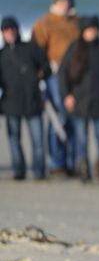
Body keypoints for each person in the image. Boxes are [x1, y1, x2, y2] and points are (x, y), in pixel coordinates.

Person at [58, 16, 99, 183]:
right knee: (81, 138)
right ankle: (84, 170)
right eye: (89, 29)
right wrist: (67, 95)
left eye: (94, 29)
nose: (92, 32)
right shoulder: (74, 48)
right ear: (83, 31)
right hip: (80, 101)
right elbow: (62, 74)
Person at [31, 0, 79, 177]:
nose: (64, 4)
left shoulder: (76, 22)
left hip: (75, 76)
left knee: (74, 118)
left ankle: (72, 161)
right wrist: (43, 70)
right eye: (61, 1)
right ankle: (57, 162)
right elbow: (36, 50)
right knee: (59, 117)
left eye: (67, 1)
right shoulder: (45, 22)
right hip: (55, 74)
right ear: (55, 3)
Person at [0, 16, 51, 180]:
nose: (10, 33)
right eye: (6, 30)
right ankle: (19, 171)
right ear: (2, 33)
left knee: (37, 140)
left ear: (18, 30)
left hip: (32, 101)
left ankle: (39, 171)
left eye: (12, 29)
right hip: (10, 103)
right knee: (14, 140)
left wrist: (42, 72)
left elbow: (46, 66)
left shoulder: (31, 48)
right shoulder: (1, 55)